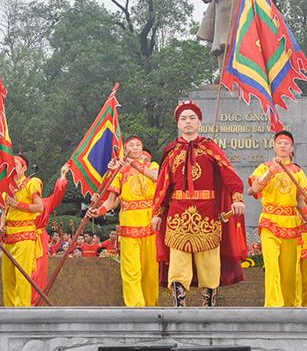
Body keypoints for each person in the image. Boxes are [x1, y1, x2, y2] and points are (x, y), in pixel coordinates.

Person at [151, 100, 247, 307]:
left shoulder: (210, 148)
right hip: (178, 212)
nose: (188, 122)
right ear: (178, 124)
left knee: (209, 260)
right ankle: (179, 305)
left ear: (199, 123)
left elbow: (229, 174)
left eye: (192, 118)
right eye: (184, 119)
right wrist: (157, 212)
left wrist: (237, 197)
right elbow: (162, 185)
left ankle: (209, 305)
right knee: (178, 260)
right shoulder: (172, 152)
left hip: (207, 212)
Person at [89, 136, 158, 306]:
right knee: (131, 270)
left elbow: (157, 177)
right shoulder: (120, 172)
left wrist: (132, 163)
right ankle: (136, 307)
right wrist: (100, 210)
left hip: (150, 224)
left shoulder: (152, 166)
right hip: (129, 224)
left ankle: (151, 305)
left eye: (138, 145)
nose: (135, 147)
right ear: (125, 149)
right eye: (130, 145)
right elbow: (112, 200)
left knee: (150, 271)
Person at [247, 130, 307, 307]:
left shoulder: (297, 171)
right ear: (274, 146)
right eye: (279, 143)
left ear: (291, 148)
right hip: (269, 220)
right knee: (272, 266)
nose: (283, 146)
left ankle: (289, 306)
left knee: (289, 270)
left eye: (286, 143)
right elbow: (253, 189)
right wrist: (271, 171)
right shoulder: (265, 167)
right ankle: (273, 305)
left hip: (291, 222)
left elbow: (301, 200)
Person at [1, 154, 44, 307]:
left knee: (22, 276)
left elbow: (40, 207)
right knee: (7, 279)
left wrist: (17, 204)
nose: (12, 169)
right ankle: (9, 309)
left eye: (16, 165)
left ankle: (22, 309)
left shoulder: (31, 183)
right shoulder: (7, 186)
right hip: (8, 235)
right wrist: (1, 225)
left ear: (24, 167)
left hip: (24, 234)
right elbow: (5, 210)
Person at [31, 164, 68, 305]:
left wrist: (62, 175)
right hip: (22, 237)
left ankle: (36, 303)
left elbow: (58, 194)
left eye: (38, 186)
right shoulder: (21, 202)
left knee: (39, 272)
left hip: (39, 238)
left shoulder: (46, 203)